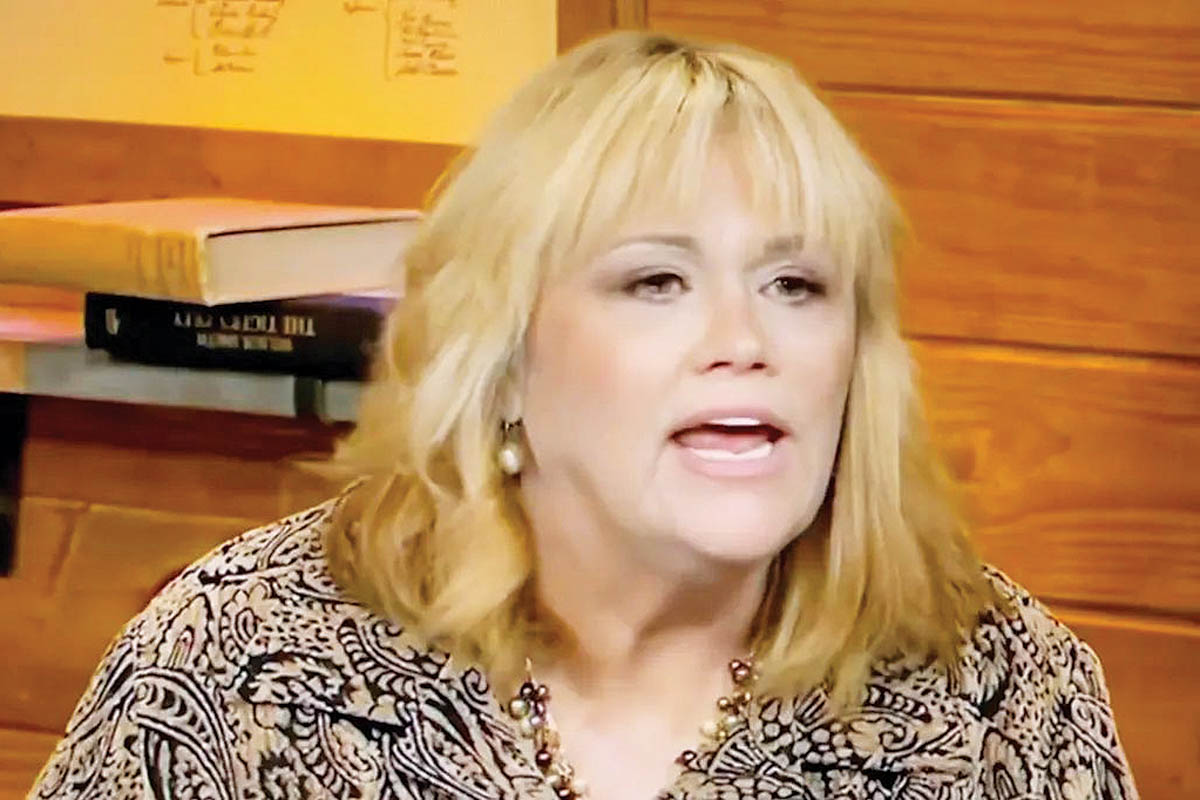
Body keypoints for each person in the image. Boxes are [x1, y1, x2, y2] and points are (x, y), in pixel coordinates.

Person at [31, 31, 1137, 800]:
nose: (744, 338)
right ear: (505, 360)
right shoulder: (242, 656)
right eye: (657, 281)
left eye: (796, 284)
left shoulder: (1004, 689)